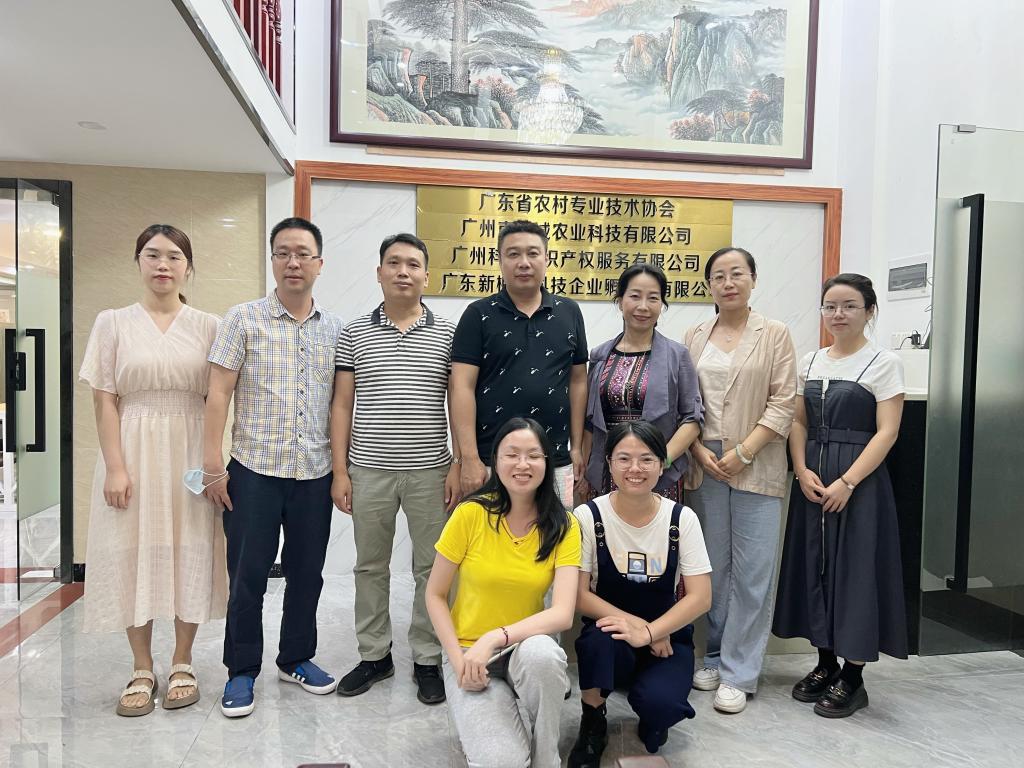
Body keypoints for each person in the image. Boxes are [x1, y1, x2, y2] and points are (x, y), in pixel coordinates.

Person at [80, 224, 226, 717]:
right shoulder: (112, 323)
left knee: (192, 549)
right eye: (152, 255)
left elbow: (217, 399)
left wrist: (213, 463)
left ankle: (183, 660)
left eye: (174, 256)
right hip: (132, 447)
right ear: (138, 262)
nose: (163, 264)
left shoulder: (208, 325)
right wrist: (114, 467)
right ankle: (141, 667)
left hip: (189, 449)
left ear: (189, 266)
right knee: (130, 551)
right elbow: (104, 400)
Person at [202, 217, 344, 717]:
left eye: (303, 253)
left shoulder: (336, 329)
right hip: (253, 471)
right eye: (283, 252)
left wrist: (341, 470)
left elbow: (339, 405)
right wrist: (212, 464)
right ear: (272, 260)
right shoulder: (242, 319)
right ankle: (241, 670)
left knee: (307, 574)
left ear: (319, 263)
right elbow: (218, 393)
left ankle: (296, 658)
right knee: (247, 576)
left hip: (313, 473)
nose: (293, 262)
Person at [331, 233, 460, 705]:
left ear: (427, 275)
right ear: (379, 272)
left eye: (412, 264)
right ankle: (374, 655)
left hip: (431, 471)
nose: (403, 272)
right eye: (393, 263)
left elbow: (458, 402)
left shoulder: (449, 334)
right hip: (369, 471)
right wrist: (340, 471)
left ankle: (428, 657)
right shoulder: (353, 333)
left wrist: (459, 462)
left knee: (432, 569)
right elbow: (342, 405)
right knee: (370, 566)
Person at [773, 273, 907, 719]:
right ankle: (825, 662)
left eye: (849, 305)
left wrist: (848, 482)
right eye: (830, 306)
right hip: (812, 478)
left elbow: (887, 432)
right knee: (815, 564)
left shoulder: (883, 362)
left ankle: (853, 675)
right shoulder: (810, 360)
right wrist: (801, 469)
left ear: (869, 311)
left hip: (859, 483)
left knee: (855, 570)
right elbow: (798, 422)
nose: (838, 314)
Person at [425, 417, 581, 768]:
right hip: (469, 651)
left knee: (545, 655)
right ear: (495, 461)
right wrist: (459, 661)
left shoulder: (564, 525)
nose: (522, 464)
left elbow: (562, 614)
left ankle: (546, 757)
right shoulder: (470, 514)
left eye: (533, 455)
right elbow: (434, 595)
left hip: (524, 647)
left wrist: (495, 637)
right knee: (501, 761)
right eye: (512, 454)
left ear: (547, 463)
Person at [683, 246, 797, 714]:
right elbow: (685, 402)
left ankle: (740, 671)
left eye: (737, 274)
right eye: (718, 276)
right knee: (712, 568)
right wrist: (697, 450)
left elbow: (784, 402)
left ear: (753, 279)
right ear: (708, 285)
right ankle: (714, 655)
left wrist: (744, 451)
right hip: (703, 462)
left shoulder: (775, 333)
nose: (728, 283)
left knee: (753, 572)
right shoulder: (694, 335)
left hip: (757, 460)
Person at [569, 420, 712, 765]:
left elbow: (701, 597)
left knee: (662, 706)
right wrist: (639, 627)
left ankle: (652, 710)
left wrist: (652, 632)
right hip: (612, 634)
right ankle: (593, 720)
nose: (635, 469)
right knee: (596, 642)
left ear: (662, 464)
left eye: (647, 459)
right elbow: (578, 596)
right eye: (624, 459)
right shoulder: (588, 516)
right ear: (609, 463)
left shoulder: (682, 518)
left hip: (667, 639)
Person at [450, 220, 588, 509]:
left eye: (532, 253)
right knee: (489, 536)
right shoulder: (478, 314)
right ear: (499, 260)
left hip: (554, 459)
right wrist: (469, 458)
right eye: (513, 254)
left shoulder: (569, 312)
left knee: (553, 533)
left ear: (547, 259)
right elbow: (461, 386)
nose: (524, 262)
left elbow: (577, 381)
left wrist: (576, 447)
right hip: (491, 460)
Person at [581, 263, 703, 502]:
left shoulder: (677, 355)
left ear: (662, 305)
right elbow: (589, 422)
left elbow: (692, 419)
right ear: (620, 301)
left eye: (653, 298)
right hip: (607, 473)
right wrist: (585, 468)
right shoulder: (600, 355)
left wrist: (661, 460)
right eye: (635, 296)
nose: (643, 306)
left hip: (659, 477)